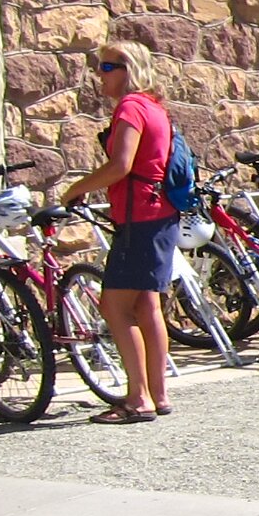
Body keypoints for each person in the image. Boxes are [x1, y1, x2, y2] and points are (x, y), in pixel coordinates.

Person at [61, 39, 179, 424]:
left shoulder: (131, 107)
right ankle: (157, 393)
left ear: (129, 70)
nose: (99, 74)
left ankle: (138, 399)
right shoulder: (153, 106)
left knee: (114, 306)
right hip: (159, 215)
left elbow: (121, 164)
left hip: (138, 218)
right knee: (146, 305)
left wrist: (76, 188)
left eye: (107, 67)